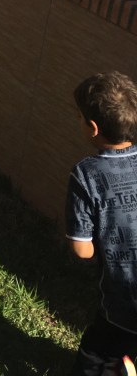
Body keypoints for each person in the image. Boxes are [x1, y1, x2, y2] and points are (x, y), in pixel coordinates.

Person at [66, 71, 137, 375]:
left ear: (93, 128)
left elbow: (82, 249)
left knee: (96, 358)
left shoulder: (86, 174)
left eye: (80, 117)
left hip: (122, 304)